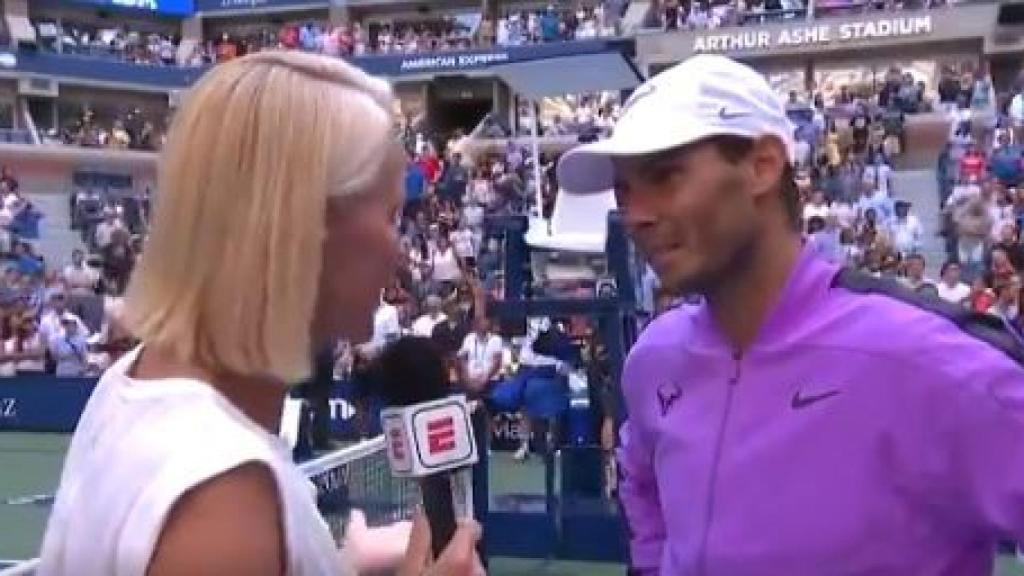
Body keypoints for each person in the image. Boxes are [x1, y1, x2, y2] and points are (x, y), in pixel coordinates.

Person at [557, 53, 1024, 575]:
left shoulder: (929, 361)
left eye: (665, 176)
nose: (635, 214)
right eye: (624, 190)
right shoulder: (655, 358)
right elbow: (643, 489)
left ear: (762, 166)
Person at [38, 52, 481, 576]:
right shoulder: (223, 497)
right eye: (390, 216)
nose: (400, 252)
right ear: (303, 227)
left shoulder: (131, 381)